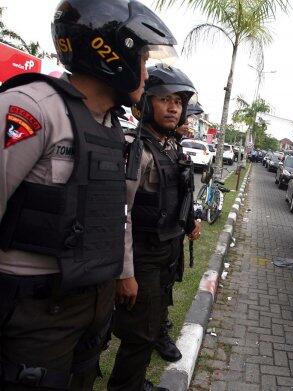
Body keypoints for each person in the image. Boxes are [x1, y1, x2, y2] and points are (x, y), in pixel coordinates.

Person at [0, 1, 177, 390]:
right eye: (143, 60)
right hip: (36, 308)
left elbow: (118, 210)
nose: (146, 75)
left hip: (91, 304)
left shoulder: (113, 128)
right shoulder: (32, 108)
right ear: (114, 55)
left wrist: (125, 273)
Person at [108, 64, 202, 391]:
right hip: (142, 255)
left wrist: (190, 223)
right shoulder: (137, 148)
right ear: (146, 103)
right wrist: (125, 272)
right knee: (139, 334)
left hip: (166, 252)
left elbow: (179, 192)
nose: (174, 107)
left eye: (178, 100)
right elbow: (120, 212)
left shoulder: (170, 145)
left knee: (151, 324)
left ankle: (134, 382)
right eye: (164, 99)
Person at [153, 98, 204, 363]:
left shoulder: (175, 148)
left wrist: (191, 219)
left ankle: (159, 324)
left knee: (167, 283)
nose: (189, 124)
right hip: (151, 239)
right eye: (188, 120)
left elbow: (183, 193)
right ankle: (157, 330)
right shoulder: (154, 146)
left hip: (172, 235)